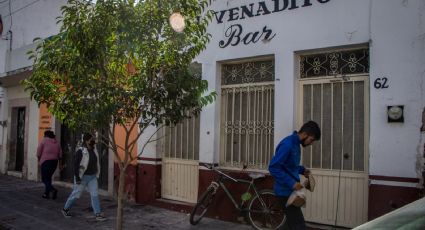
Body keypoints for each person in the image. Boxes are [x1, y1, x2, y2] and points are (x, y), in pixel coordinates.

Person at [268, 121, 321, 230]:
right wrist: (292, 183)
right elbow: (274, 167)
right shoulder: (288, 144)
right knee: (298, 224)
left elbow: (290, 166)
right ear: (305, 134)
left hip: (291, 192)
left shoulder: (296, 144)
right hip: (284, 192)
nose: (311, 144)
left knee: (291, 223)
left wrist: (302, 170)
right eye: (311, 140)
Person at [61, 133, 107, 221]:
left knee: (95, 195)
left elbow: (96, 162)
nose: (93, 140)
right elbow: (75, 165)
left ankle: (97, 214)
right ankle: (65, 209)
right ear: (86, 141)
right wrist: (77, 178)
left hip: (92, 176)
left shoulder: (94, 150)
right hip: (82, 177)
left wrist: (97, 173)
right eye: (91, 139)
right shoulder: (81, 151)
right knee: (76, 194)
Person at [37, 130, 62, 199]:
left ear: (46, 135)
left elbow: (39, 151)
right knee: (48, 178)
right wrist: (60, 164)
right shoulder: (57, 142)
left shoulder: (44, 141)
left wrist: (39, 159)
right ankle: (46, 194)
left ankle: (52, 189)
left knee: (44, 179)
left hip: (45, 162)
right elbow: (60, 154)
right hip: (54, 162)